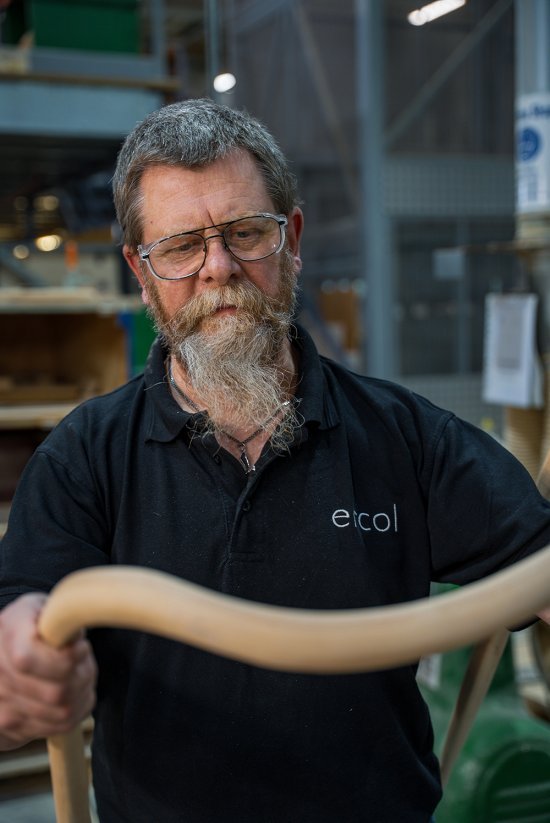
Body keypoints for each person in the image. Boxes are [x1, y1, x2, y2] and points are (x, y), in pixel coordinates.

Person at [0, 98, 549, 823]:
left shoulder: (408, 439)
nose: (219, 268)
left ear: (292, 237)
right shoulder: (82, 460)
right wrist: (19, 670)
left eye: (246, 232)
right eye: (181, 246)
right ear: (140, 268)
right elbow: (15, 649)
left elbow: (538, 564)